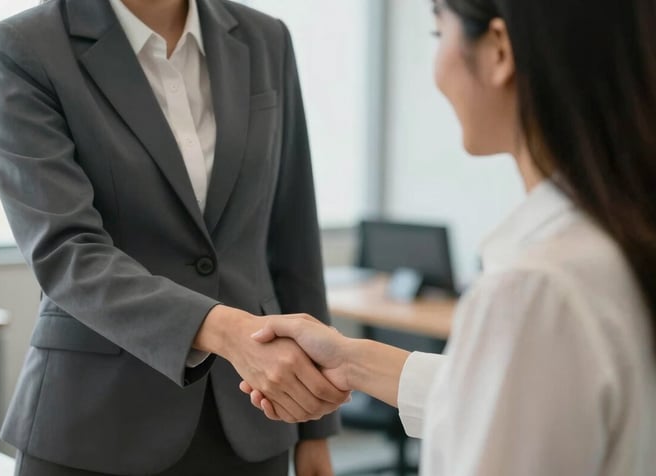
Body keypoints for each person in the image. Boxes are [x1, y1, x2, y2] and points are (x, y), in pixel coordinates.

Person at [240, 0, 656, 474]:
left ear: (498, 51)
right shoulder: (614, 242)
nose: (436, 72)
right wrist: (353, 360)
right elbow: (512, 398)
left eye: (440, 35)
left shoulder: (535, 290)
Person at [0, 0, 349, 474]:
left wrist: (316, 427)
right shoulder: (27, 46)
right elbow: (66, 252)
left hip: (255, 417)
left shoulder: (265, 38)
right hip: (95, 424)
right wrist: (226, 330)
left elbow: (292, 233)